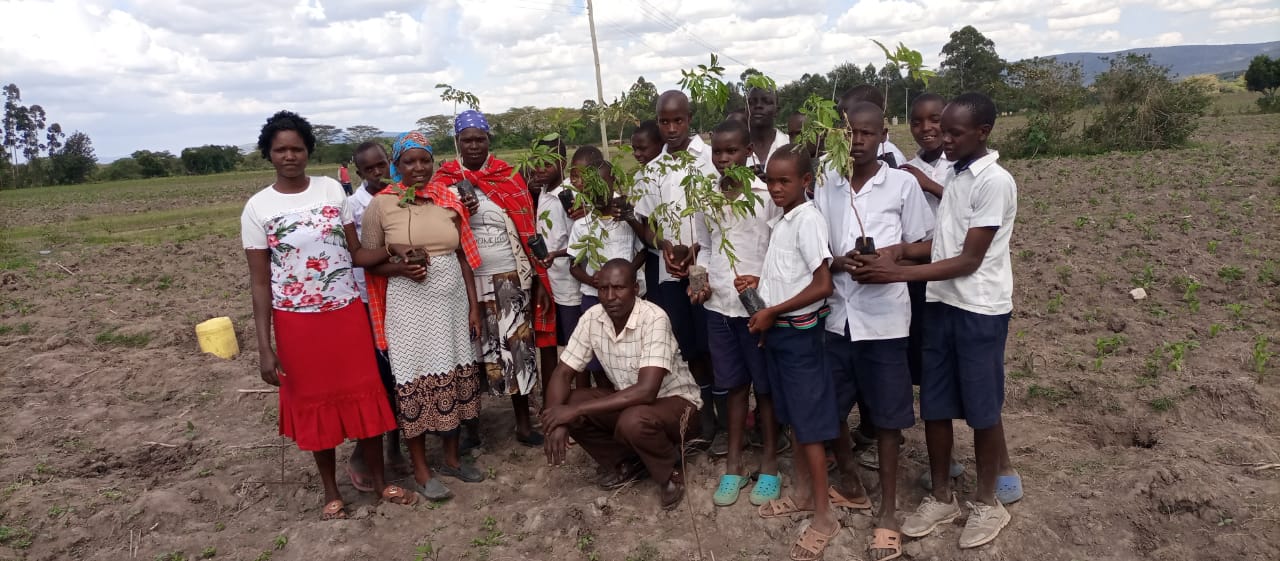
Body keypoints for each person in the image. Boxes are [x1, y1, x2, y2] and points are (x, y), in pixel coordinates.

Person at [852, 93, 1022, 550]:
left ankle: (988, 502)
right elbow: (942, 243)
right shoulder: (958, 175)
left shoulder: (994, 182)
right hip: (941, 304)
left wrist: (899, 272)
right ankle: (942, 495)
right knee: (937, 403)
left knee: (983, 410)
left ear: (982, 132)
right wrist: (900, 250)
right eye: (941, 130)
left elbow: (968, 259)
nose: (943, 139)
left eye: (953, 132)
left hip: (978, 309)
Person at [240, 111, 413, 520]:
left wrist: (394, 252)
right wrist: (265, 347)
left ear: (307, 151)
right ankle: (331, 491)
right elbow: (260, 282)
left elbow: (355, 254)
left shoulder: (331, 190)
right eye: (280, 149)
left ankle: (381, 480)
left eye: (297, 148)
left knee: (365, 394)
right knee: (315, 403)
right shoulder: (257, 208)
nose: (289, 156)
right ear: (269, 153)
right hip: (297, 323)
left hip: (346, 314)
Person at [815, 102, 935, 561]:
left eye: (867, 133)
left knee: (887, 419)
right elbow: (818, 245)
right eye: (850, 133)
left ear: (883, 134)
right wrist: (840, 262)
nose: (858, 141)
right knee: (828, 405)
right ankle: (849, 479)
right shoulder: (827, 185)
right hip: (837, 315)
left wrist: (892, 258)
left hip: (884, 319)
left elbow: (927, 244)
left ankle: (887, 510)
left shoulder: (901, 184)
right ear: (839, 136)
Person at [360, 131, 486, 493]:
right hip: (408, 304)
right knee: (413, 378)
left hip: (451, 302)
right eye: (409, 161)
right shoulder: (381, 205)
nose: (418, 167)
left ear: (433, 162)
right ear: (397, 166)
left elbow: (462, 257)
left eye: (425, 160)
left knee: (456, 373)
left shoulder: (448, 198)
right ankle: (421, 471)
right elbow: (369, 261)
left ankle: (452, 460)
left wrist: (473, 308)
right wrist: (399, 267)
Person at [540, 259, 703, 510]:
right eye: (603, 289)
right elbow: (563, 372)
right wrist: (556, 420)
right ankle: (626, 462)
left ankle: (669, 472)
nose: (610, 296)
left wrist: (574, 412)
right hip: (633, 405)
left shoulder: (654, 319)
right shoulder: (593, 317)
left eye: (618, 288)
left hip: (679, 408)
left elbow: (646, 391)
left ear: (636, 289)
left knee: (629, 420)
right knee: (570, 401)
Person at [433, 110, 547, 448]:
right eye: (466, 140)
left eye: (479, 139)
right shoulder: (443, 180)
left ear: (488, 141)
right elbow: (437, 224)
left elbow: (528, 226)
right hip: (464, 280)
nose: (473, 145)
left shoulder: (507, 177)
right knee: (473, 353)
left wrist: (536, 281)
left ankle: (523, 424)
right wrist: (457, 203)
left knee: (518, 349)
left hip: (508, 274)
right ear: (457, 142)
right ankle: (471, 428)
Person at [748, 146, 840, 561]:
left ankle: (824, 516)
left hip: (801, 339)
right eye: (770, 181)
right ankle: (803, 495)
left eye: (784, 181)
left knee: (811, 426)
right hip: (781, 336)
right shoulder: (784, 220)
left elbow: (823, 285)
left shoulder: (807, 220)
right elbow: (790, 275)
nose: (775, 188)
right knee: (798, 425)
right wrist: (762, 286)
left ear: (806, 181)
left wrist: (771, 310)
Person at [690, 120, 784, 508]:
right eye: (718, 152)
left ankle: (770, 463)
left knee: (764, 388)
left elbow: (779, 250)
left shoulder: (767, 196)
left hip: (758, 307)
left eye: (732, 151)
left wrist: (762, 281)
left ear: (749, 152)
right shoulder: (707, 198)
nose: (724, 159)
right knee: (732, 387)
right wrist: (702, 280)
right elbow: (708, 247)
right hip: (720, 307)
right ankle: (733, 463)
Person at [631, 90, 718, 450]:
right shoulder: (651, 172)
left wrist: (699, 251)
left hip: (708, 268)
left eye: (677, 120)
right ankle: (705, 415)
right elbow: (643, 221)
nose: (670, 128)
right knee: (687, 346)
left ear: (689, 118)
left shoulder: (712, 159)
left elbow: (724, 216)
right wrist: (662, 245)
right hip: (670, 273)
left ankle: (731, 414)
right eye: (664, 121)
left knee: (715, 344)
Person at [344, 141, 412, 491]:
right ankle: (381, 447)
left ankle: (398, 445)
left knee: (400, 372)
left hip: (402, 290)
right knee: (381, 376)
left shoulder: (403, 195)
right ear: (359, 172)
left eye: (381, 165)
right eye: (369, 169)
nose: (377, 173)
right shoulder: (354, 206)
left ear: (390, 163)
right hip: (370, 298)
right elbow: (359, 254)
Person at [529, 135, 577, 389]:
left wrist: (555, 255)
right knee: (547, 344)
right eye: (536, 162)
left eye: (547, 163)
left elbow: (580, 242)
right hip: (549, 284)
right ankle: (551, 399)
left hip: (569, 287)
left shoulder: (567, 196)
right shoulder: (544, 193)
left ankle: (579, 397)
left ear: (563, 163)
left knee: (574, 347)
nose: (540, 169)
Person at [628, 120, 666, 301]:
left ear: (660, 145)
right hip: (652, 255)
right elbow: (644, 229)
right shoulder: (638, 178)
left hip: (669, 253)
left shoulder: (667, 174)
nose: (637, 154)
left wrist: (629, 215)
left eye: (643, 148)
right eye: (634, 148)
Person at [838, 85, 909, 167]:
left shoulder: (891, 160)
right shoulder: (844, 151)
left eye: (846, 119)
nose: (842, 126)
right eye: (842, 119)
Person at [745, 87, 789, 173]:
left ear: (777, 110)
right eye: (751, 102)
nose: (758, 106)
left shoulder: (789, 145)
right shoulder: (733, 149)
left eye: (767, 102)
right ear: (746, 110)